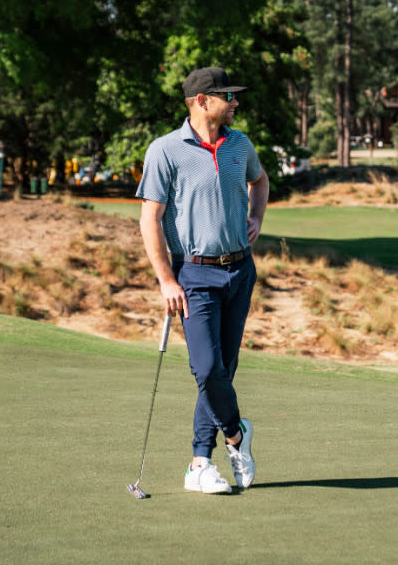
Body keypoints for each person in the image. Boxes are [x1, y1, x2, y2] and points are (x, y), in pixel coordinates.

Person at [136, 66, 269, 495]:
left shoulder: (239, 143)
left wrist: (257, 218)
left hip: (240, 269)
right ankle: (236, 434)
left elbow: (260, 179)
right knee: (207, 368)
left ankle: (199, 463)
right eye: (227, 95)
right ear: (201, 100)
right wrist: (166, 280)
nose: (235, 102)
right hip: (193, 273)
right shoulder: (166, 150)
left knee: (223, 371)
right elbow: (149, 219)